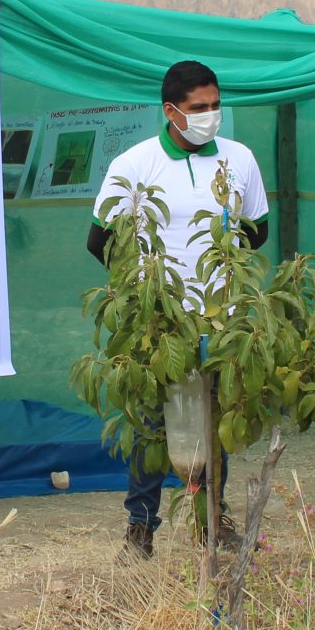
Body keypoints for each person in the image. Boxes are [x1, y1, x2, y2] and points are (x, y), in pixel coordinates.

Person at [89, 59, 269, 559]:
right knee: (151, 422)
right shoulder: (134, 164)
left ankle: (214, 521)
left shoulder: (239, 159)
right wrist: (150, 289)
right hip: (159, 319)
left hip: (220, 318)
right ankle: (140, 528)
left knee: (214, 421)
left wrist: (222, 279)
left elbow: (258, 230)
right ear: (171, 111)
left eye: (215, 105)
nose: (210, 115)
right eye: (198, 108)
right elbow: (100, 240)